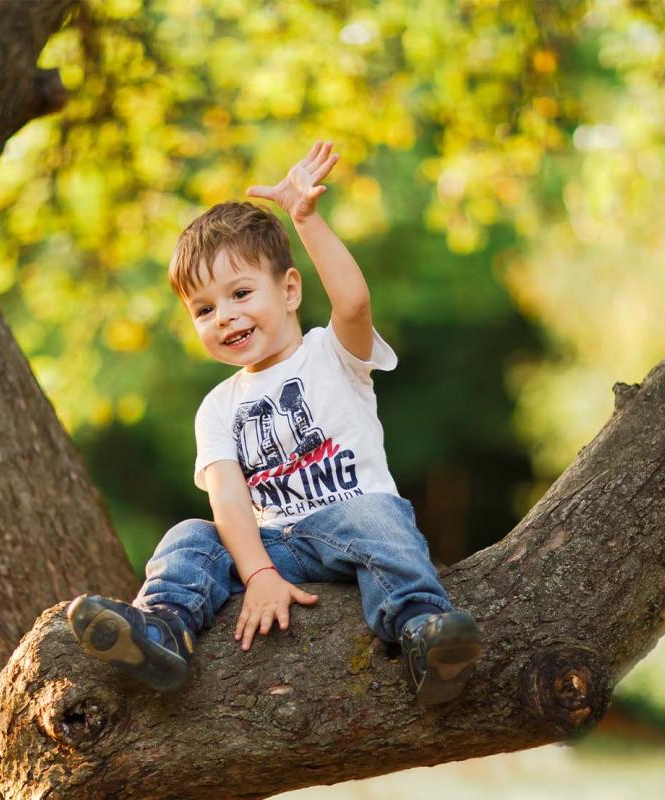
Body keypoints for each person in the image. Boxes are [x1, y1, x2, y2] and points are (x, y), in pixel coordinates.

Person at [67, 141, 482, 705]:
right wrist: (259, 573)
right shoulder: (217, 406)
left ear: (289, 290)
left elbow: (355, 303)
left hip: (349, 526)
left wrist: (305, 219)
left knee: (379, 519)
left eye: (240, 293)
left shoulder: (331, 354)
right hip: (273, 543)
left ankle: (424, 632)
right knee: (189, 537)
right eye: (204, 309)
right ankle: (163, 630)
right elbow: (230, 502)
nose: (226, 316)